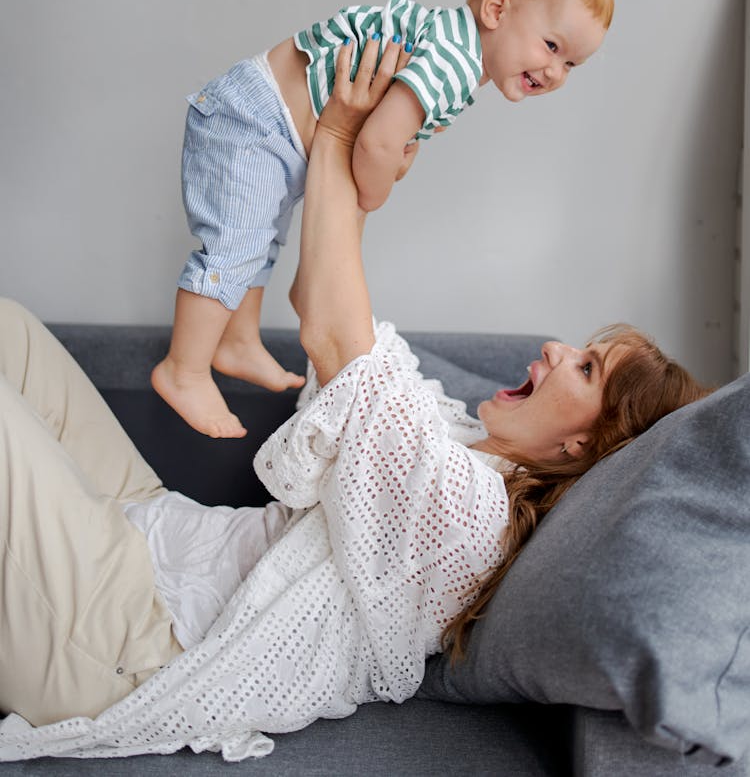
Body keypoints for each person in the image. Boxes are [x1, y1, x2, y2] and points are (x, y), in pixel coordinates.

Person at [0, 39, 705, 764]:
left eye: (585, 367)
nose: (558, 349)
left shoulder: (469, 517)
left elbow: (337, 336)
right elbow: (324, 307)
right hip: (162, 533)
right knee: (10, 331)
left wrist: (336, 133)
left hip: (130, 635)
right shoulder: (453, 432)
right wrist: (365, 169)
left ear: (582, 446)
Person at [152, 0, 614, 438]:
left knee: (261, 237)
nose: (555, 72)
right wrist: (379, 187)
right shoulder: (455, 64)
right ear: (497, 10)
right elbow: (374, 144)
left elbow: (385, 131)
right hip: (254, 119)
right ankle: (184, 369)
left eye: (571, 64)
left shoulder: (452, 48)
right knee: (235, 244)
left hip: (269, 123)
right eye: (552, 46)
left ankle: (236, 340)